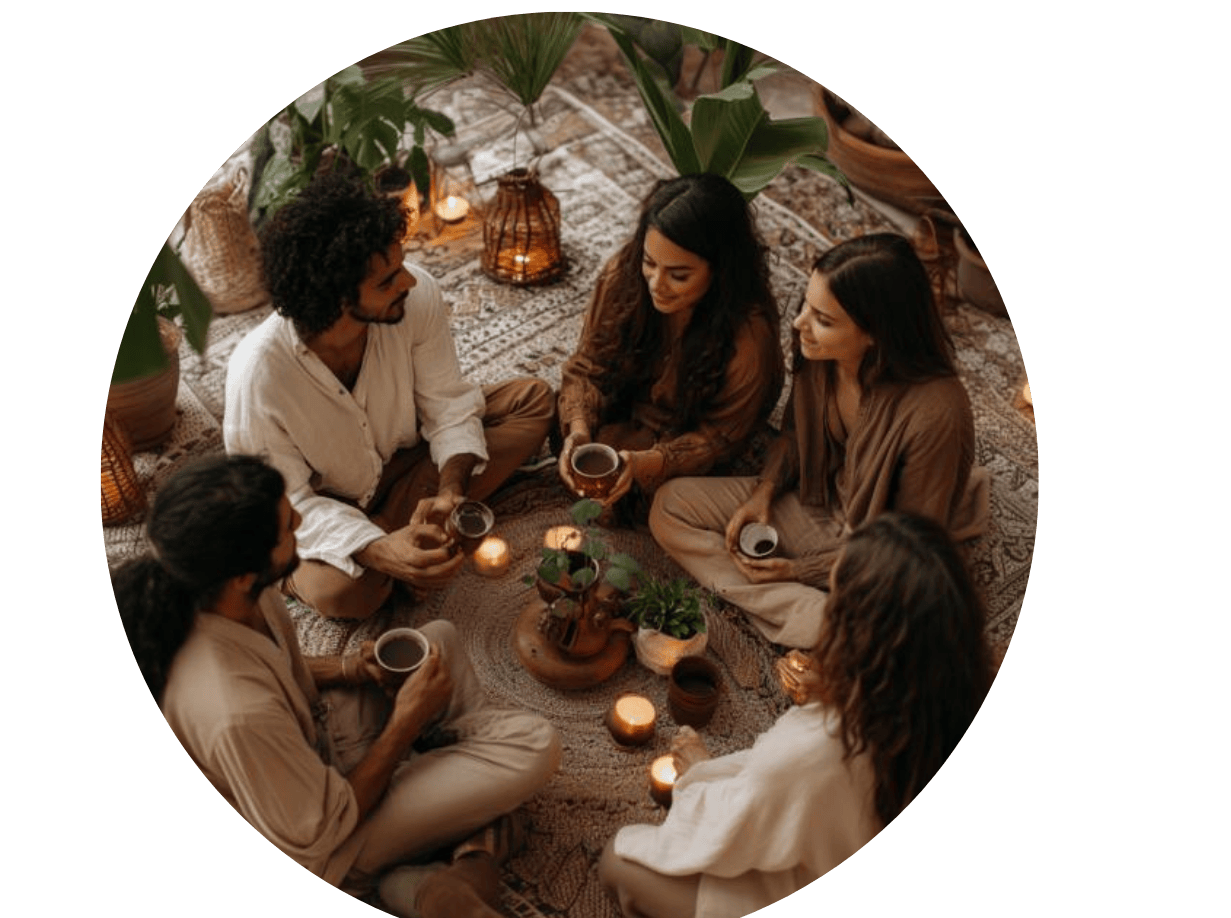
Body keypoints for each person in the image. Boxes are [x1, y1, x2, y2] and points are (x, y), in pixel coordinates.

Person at [111, 454, 592, 918]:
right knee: (536, 744)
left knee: (439, 640)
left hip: (315, 744)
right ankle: (444, 857)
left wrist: (350, 668)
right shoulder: (234, 712)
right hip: (328, 845)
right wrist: (404, 723)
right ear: (238, 574)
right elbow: (320, 830)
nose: (299, 520)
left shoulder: (227, 595)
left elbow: (277, 677)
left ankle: (444, 832)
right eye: (285, 526)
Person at [599, 511, 994, 918]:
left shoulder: (824, 746)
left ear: (858, 633)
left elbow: (735, 832)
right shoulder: (964, 696)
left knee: (620, 860)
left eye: (834, 600)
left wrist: (698, 776)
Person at [224, 173, 555, 619]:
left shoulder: (415, 299)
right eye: (386, 281)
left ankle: (411, 540)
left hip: (405, 463)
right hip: (327, 506)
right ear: (335, 300)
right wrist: (375, 548)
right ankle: (355, 560)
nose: (409, 283)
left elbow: (447, 405)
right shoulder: (259, 374)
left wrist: (450, 491)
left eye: (400, 267)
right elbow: (289, 503)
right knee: (343, 594)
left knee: (533, 400)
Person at [650, 232, 990, 649]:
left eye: (823, 320)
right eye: (808, 307)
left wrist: (800, 571)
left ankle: (817, 620)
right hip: (816, 501)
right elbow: (794, 434)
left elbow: (908, 550)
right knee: (669, 506)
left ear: (876, 334)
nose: (799, 324)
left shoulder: (936, 414)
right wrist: (765, 492)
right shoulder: (818, 353)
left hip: (878, 544)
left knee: (895, 622)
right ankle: (812, 618)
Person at [556, 173, 784, 525]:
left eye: (679, 275)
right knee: (546, 409)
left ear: (720, 271)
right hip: (625, 412)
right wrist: (579, 429)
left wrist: (651, 463)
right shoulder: (625, 275)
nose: (656, 285)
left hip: (684, 439)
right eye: (650, 263)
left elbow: (717, 438)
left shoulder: (749, 338)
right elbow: (588, 366)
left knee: (658, 505)